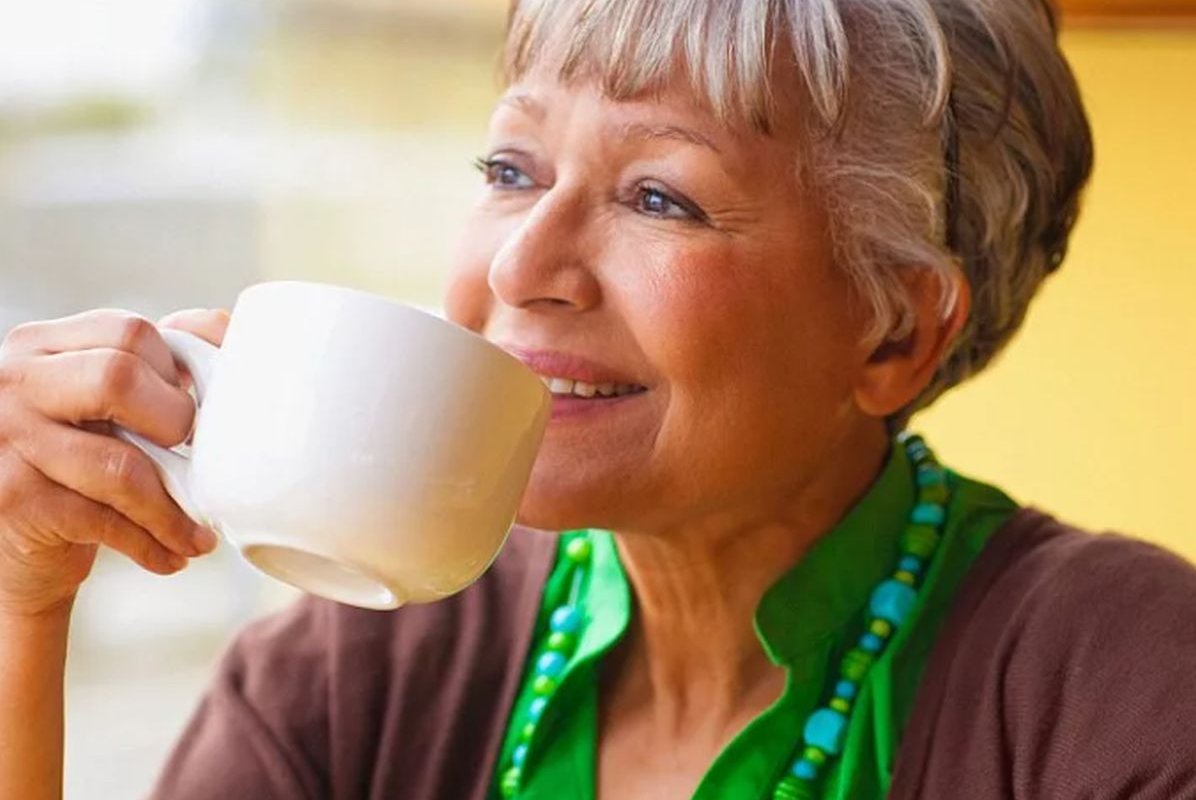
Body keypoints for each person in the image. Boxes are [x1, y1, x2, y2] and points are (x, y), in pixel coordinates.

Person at [2, 0, 1195, 798]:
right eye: (509, 170)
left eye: (659, 197)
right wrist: (19, 602)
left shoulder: (1133, 688)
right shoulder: (344, 670)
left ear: (891, 329)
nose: (520, 265)